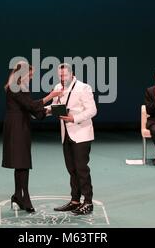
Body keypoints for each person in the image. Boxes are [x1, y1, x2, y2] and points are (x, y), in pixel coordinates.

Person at [2, 61, 62, 212]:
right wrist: (51, 96)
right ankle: (24, 197)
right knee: (22, 161)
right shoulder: (15, 87)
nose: (30, 78)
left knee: (21, 161)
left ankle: (18, 195)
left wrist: (51, 111)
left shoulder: (21, 87)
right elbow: (30, 106)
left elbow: (31, 108)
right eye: (30, 75)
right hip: (16, 127)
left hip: (21, 125)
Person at [49, 63, 97, 215]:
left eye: (64, 75)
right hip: (66, 134)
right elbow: (55, 107)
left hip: (81, 133)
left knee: (82, 169)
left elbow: (92, 110)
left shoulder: (84, 88)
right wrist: (39, 111)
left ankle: (88, 202)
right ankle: (75, 201)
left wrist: (74, 118)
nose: (62, 78)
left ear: (72, 74)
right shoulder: (58, 87)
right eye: (60, 76)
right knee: (72, 169)